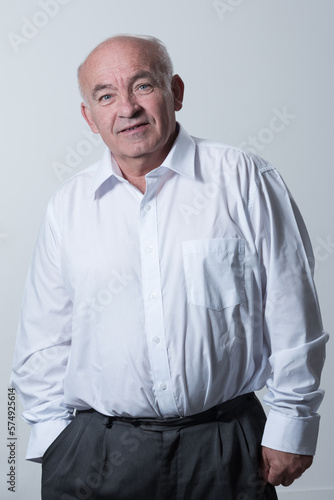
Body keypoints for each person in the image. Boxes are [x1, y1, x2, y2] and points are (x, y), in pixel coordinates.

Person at [11, 34, 328, 500]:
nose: (127, 108)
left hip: (223, 445)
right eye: (106, 96)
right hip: (97, 451)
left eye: (142, 86)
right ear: (89, 117)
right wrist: (56, 441)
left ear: (175, 91)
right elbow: (43, 339)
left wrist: (292, 423)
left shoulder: (243, 178)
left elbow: (291, 308)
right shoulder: (69, 206)